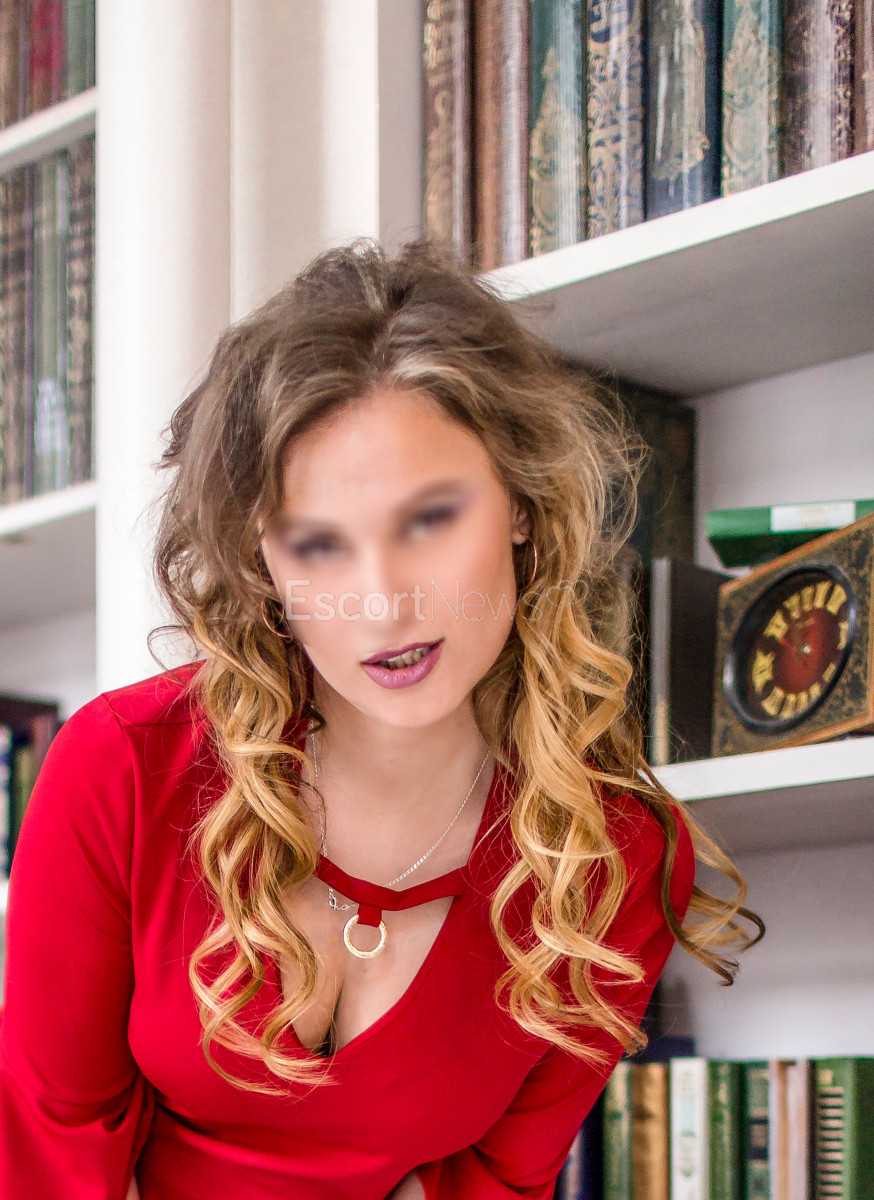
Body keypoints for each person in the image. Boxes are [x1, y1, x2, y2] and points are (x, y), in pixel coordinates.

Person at [0, 238, 763, 1200]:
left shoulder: (617, 858)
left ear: (522, 506)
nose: (383, 603)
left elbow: (498, 1184)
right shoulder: (122, 768)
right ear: (263, 565)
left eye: (429, 520)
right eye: (319, 545)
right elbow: (48, 1149)